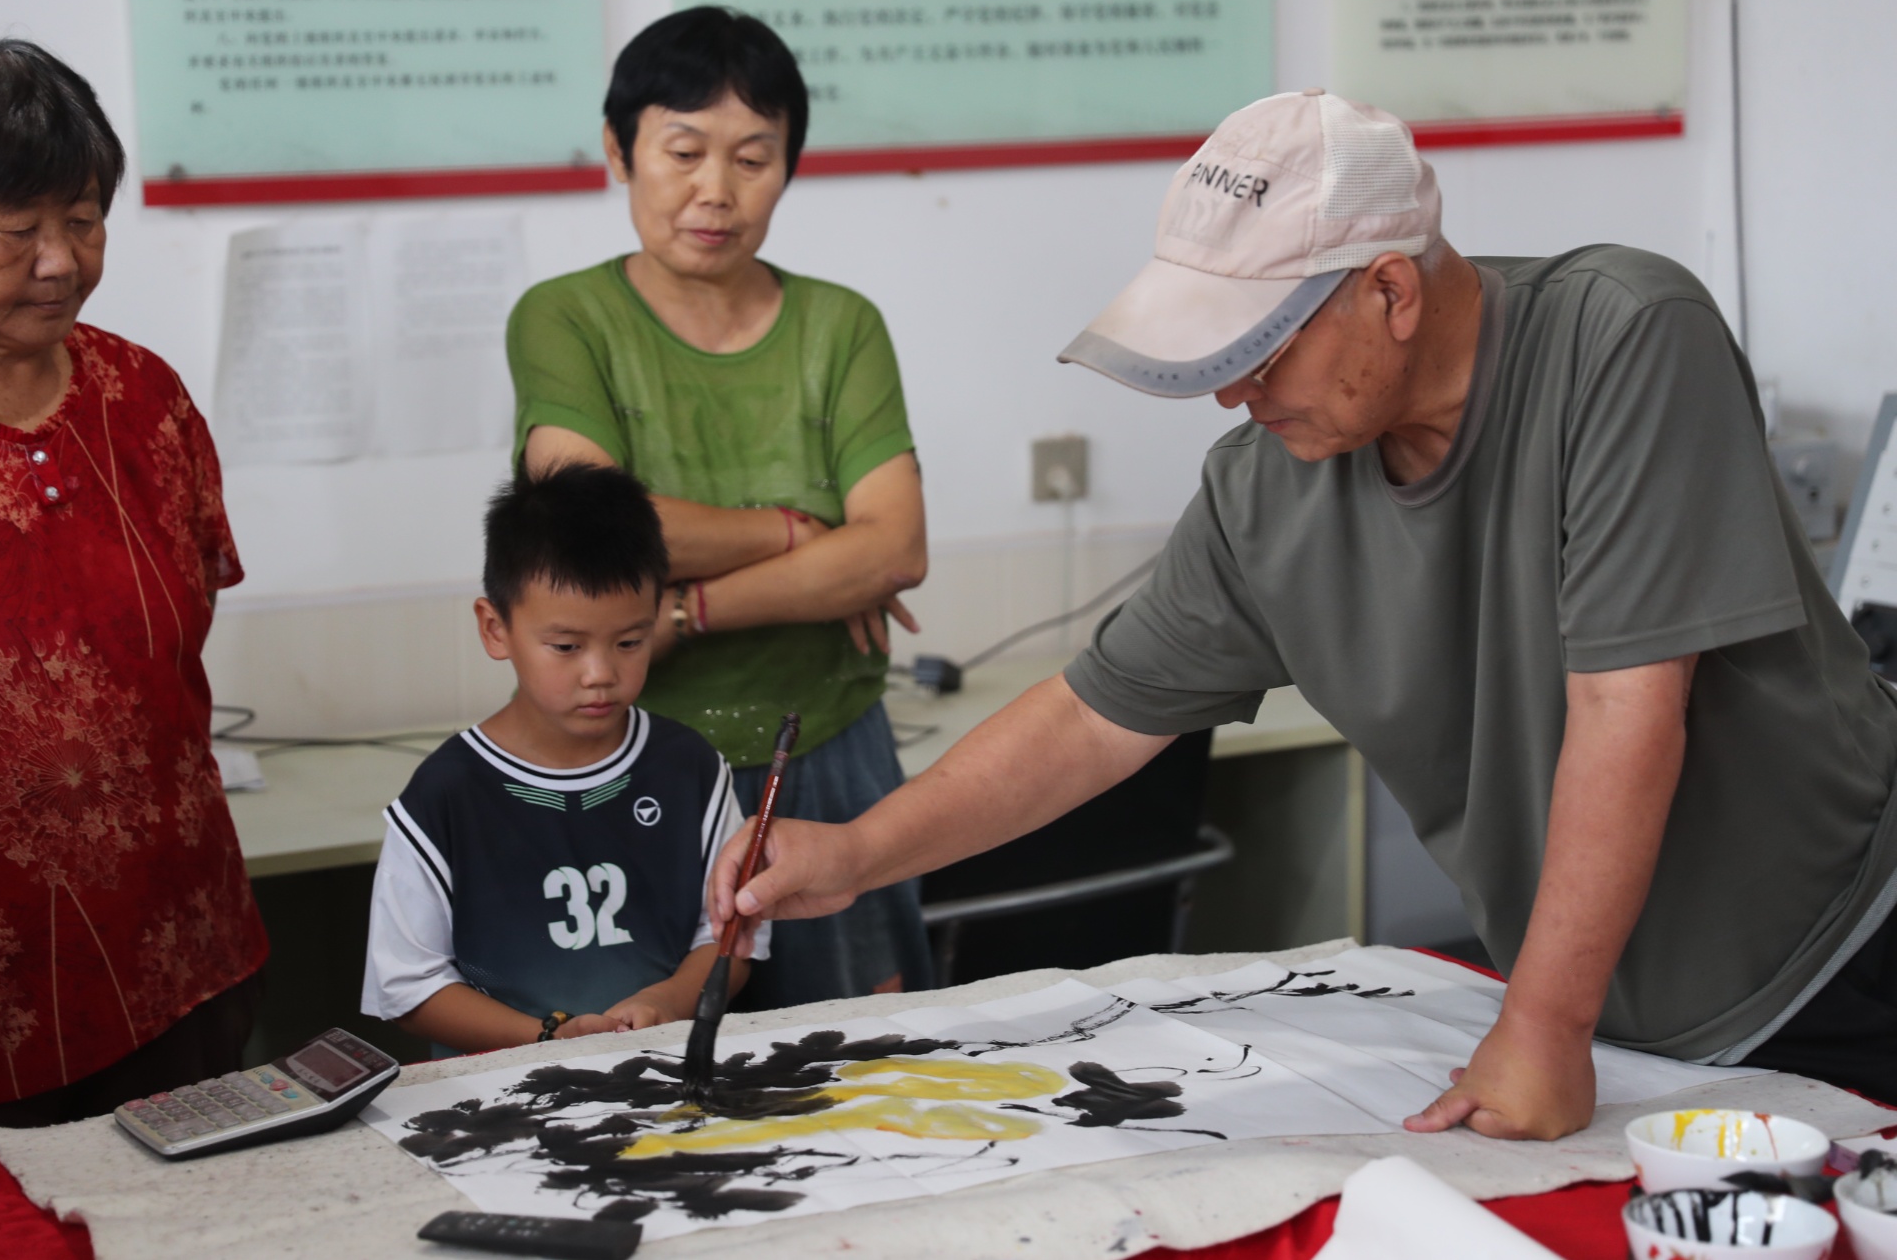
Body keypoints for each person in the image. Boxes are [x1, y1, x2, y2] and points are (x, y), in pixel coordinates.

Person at [709, 90, 1897, 1137]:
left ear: (1387, 290)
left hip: (1842, 951)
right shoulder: (1265, 487)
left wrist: (1541, 1024)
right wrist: (858, 852)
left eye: (1260, 348)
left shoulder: (1621, 338)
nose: (1231, 391)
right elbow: (1090, 719)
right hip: (1615, 1026)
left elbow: (1625, 710)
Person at [509, 7, 931, 1010]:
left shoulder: (840, 326)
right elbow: (587, 528)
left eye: (752, 158)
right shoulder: (566, 318)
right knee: (647, 1058)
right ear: (619, 151)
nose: (716, 190)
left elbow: (894, 549)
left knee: (857, 1060)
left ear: (788, 167)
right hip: (634, 762)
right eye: (684, 150)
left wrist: (683, 610)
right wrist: (799, 536)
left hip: (828, 749)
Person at [0, 34, 266, 1162]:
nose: (59, 261)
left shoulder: (145, 398)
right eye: (16, 230)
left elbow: (173, 641)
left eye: (84, 220)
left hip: (181, 959)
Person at [361, 464, 769, 1053]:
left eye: (630, 642)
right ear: (495, 629)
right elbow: (408, 987)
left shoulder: (690, 769)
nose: (600, 673)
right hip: (504, 1091)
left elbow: (731, 938)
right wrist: (550, 1037)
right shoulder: (447, 792)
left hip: (661, 1070)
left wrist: (669, 1002)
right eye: (566, 646)